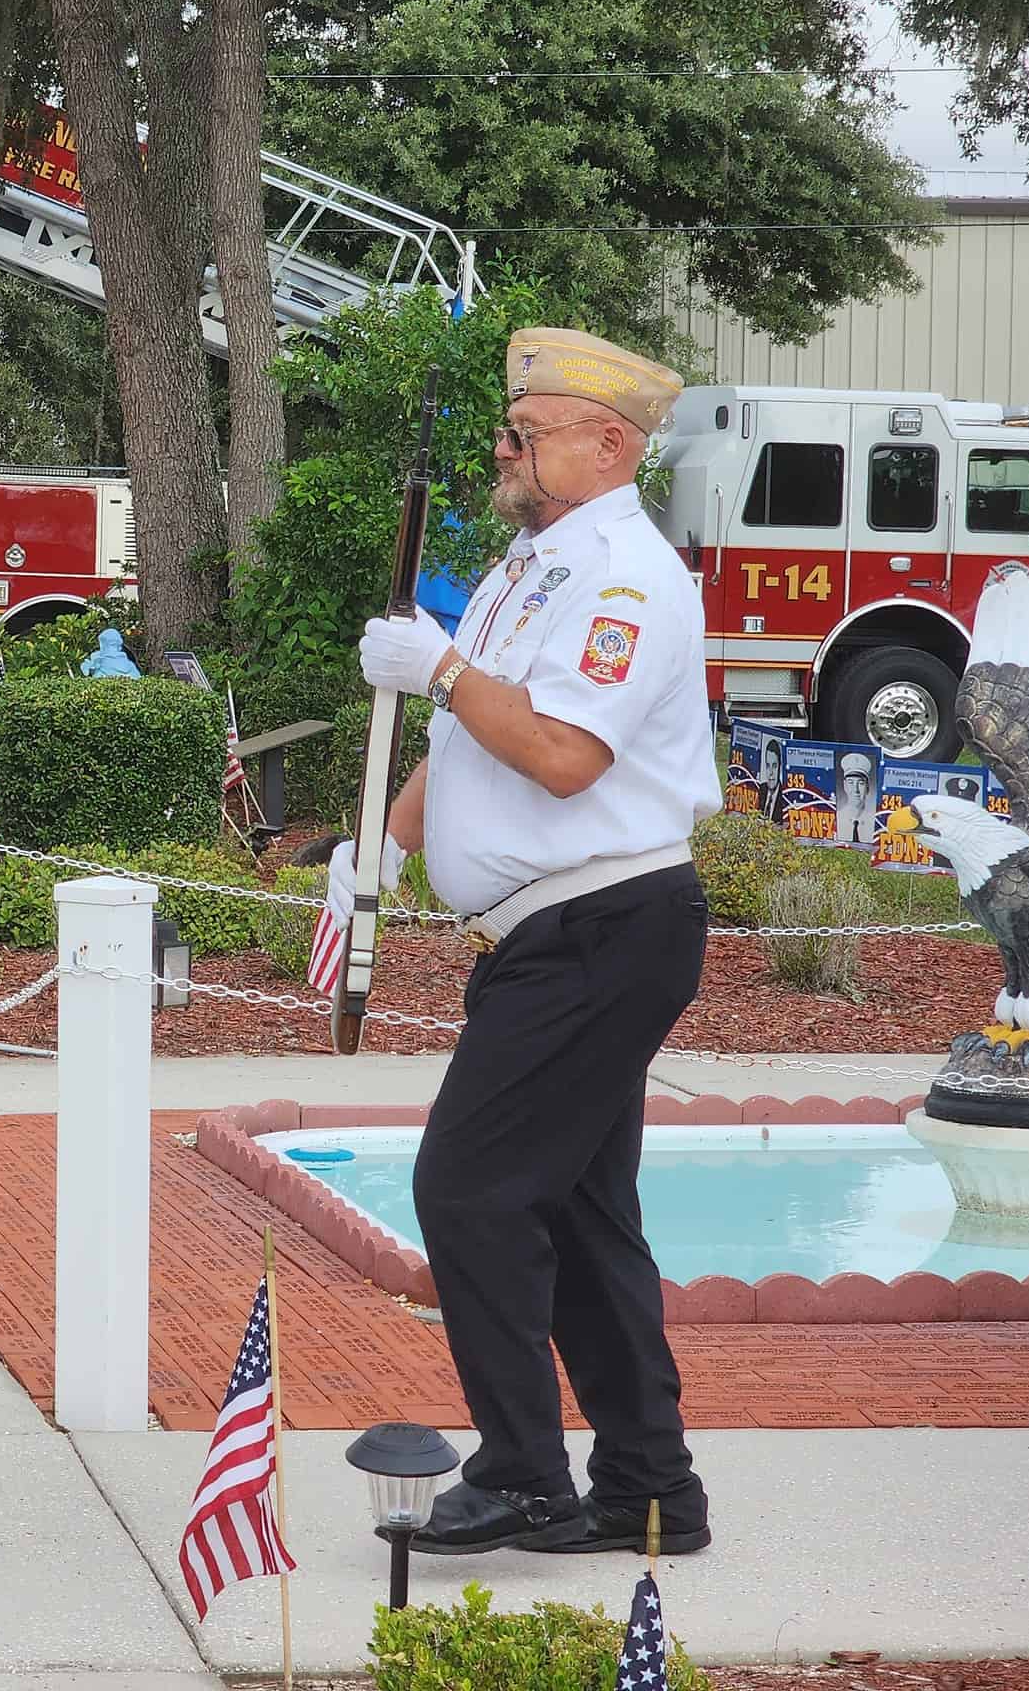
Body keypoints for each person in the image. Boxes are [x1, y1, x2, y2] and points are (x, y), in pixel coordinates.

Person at [352, 328, 720, 1560]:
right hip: (560, 933)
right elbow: (476, 740)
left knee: (468, 1187)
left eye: (531, 430)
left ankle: (521, 1474)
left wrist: (442, 668)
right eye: (510, 429)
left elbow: (565, 756)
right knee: (576, 1213)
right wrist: (386, 839)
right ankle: (647, 1491)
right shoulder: (534, 563)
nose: (506, 447)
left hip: (600, 925)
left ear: (609, 446)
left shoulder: (624, 576)